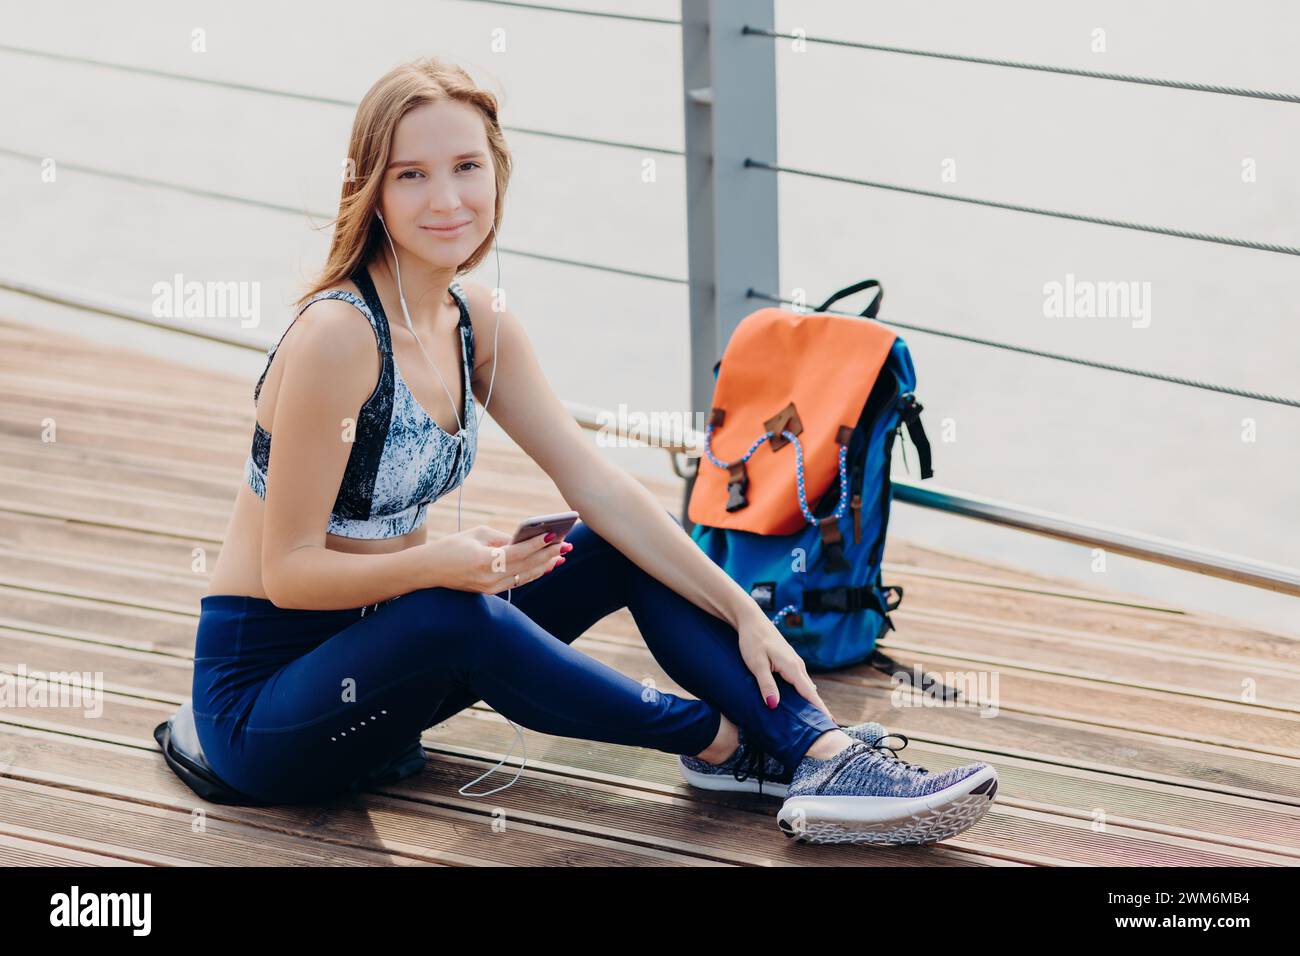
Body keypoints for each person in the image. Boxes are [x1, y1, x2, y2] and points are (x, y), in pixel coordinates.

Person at [193, 56, 997, 846]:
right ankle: (725, 742)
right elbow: (289, 574)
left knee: (606, 539)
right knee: (452, 611)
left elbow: (600, 488)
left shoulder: (476, 322)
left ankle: (818, 749)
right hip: (267, 715)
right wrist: (440, 565)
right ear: (369, 189)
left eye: (466, 166)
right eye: (411, 176)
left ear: (497, 174)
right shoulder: (339, 337)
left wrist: (742, 609)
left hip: (387, 676)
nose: (447, 199)